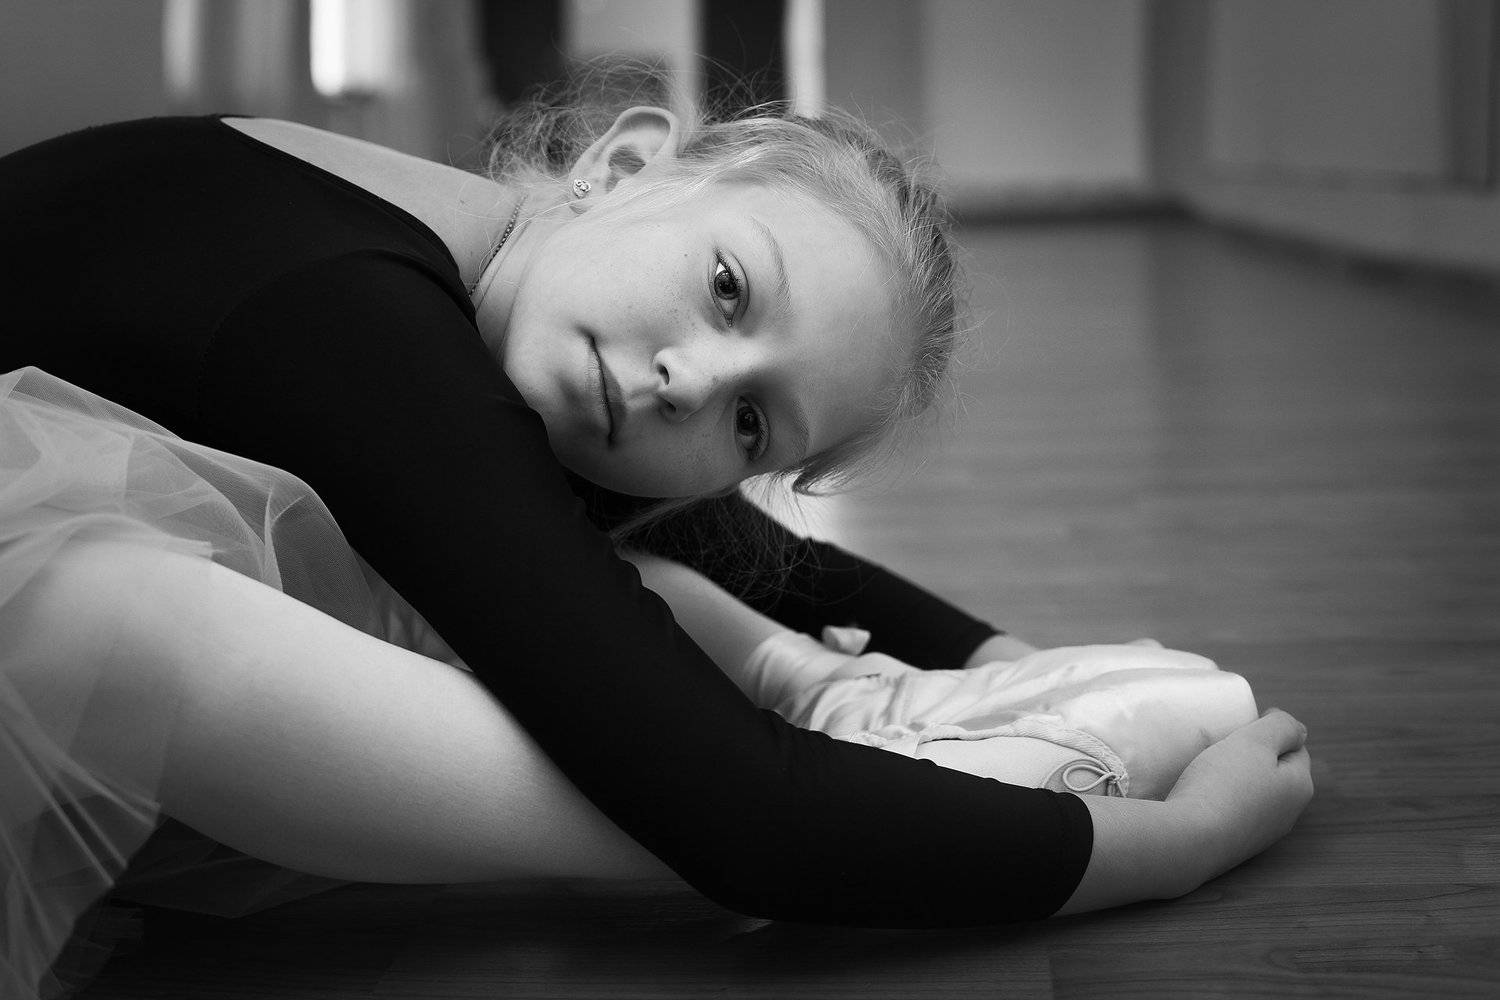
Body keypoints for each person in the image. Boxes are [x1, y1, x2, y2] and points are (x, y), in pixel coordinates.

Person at [0, 95, 1313, 997]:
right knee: (94, 619)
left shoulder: (470, 252)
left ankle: (857, 729)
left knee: (599, 566)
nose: (692, 381)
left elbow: (727, 545)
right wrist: (1175, 843)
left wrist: (998, 659)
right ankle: (889, 779)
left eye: (752, 423)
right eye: (728, 289)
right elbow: (746, 827)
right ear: (626, 166)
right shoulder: (349, 316)